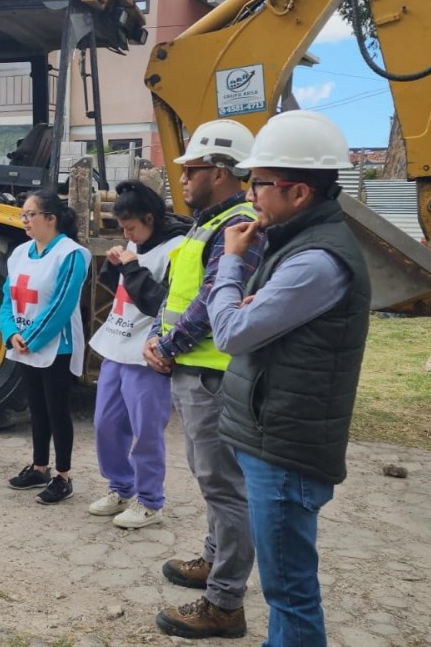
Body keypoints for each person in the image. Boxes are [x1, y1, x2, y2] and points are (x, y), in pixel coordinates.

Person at [208, 110, 371, 646]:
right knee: (286, 588)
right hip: (274, 435)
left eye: (258, 183)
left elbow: (231, 333)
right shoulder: (297, 243)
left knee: (290, 592)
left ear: (298, 192)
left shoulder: (315, 260)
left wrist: (231, 265)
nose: (250, 195)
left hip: (285, 449)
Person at [143, 119, 264, 640]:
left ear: (218, 171)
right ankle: (215, 562)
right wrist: (155, 334)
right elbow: (177, 293)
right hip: (194, 370)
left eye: (190, 169)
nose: (182, 178)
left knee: (226, 486)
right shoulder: (205, 222)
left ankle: (225, 604)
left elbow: (215, 299)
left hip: (213, 373)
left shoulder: (238, 225)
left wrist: (166, 347)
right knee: (211, 480)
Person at [87, 180, 191, 527]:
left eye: (131, 226)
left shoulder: (177, 247)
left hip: (147, 353)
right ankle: (121, 487)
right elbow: (114, 285)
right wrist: (116, 261)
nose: (127, 232)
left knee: (146, 430)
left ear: (150, 218)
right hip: (117, 345)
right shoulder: (135, 240)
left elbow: (160, 302)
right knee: (106, 423)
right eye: (123, 227)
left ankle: (149, 500)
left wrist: (131, 267)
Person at [0, 190, 91, 504]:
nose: (24, 221)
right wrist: (11, 332)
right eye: (23, 215)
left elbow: (62, 306)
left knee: (57, 411)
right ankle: (40, 467)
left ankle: (63, 476)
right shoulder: (20, 253)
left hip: (57, 347)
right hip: (25, 343)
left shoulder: (71, 254)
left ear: (51, 219)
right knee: (36, 409)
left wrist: (32, 338)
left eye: (30, 215)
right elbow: (7, 299)